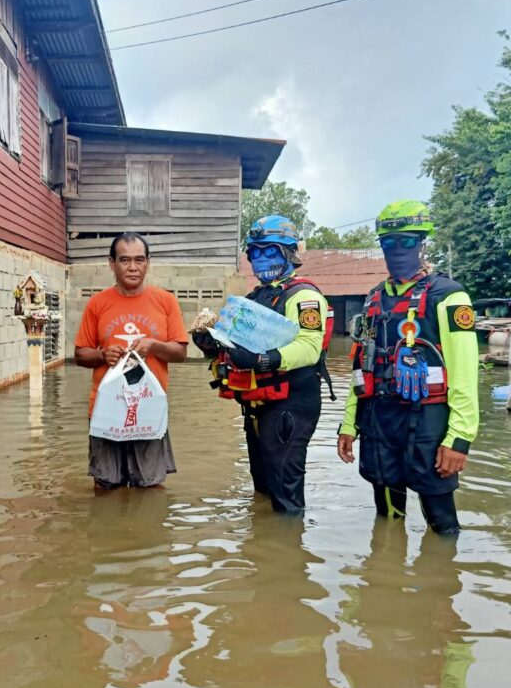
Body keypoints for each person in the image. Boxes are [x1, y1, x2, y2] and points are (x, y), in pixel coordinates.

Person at [337, 200, 478, 535]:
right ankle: (385, 564)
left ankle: (441, 566)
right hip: (379, 419)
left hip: (428, 420)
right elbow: (361, 366)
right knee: (387, 518)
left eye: (407, 241)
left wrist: (459, 438)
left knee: (441, 522)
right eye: (389, 242)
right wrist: (349, 424)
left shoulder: (449, 296)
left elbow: (465, 372)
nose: (398, 249)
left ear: (422, 243)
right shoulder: (372, 300)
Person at [193, 215, 332, 514]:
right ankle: (265, 540)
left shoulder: (305, 297)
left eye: (270, 251)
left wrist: (263, 360)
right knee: (263, 488)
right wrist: (210, 345)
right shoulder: (255, 298)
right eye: (255, 252)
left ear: (289, 253)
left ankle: (288, 540)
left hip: (291, 405)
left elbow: (310, 347)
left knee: (285, 494)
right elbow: (235, 347)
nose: (261, 259)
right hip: (259, 406)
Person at [74, 233, 188, 489]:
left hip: (149, 409)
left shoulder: (166, 301)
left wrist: (154, 345)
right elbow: (80, 354)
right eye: (124, 260)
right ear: (112, 264)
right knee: (105, 486)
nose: (133, 267)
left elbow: (180, 353)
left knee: (150, 487)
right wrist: (102, 355)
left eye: (139, 260)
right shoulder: (97, 304)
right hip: (106, 409)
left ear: (148, 262)